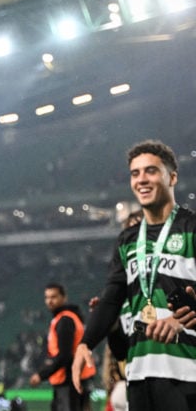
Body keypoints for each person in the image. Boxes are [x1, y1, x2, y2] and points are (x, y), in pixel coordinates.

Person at [71, 139, 196, 410]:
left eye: (151, 171)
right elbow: (112, 297)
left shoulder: (192, 228)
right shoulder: (127, 240)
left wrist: (181, 320)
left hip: (188, 372)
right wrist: (86, 343)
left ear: (172, 177)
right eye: (135, 173)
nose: (142, 179)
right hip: (139, 375)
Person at [29, 283, 96, 411]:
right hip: (74, 379)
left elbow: (65, 356)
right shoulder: (69, 317)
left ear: (64, 298)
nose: (49, 301)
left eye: (54, 297)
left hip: (68, 381)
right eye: (47, 297)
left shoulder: (65, 321)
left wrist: (41, 375)